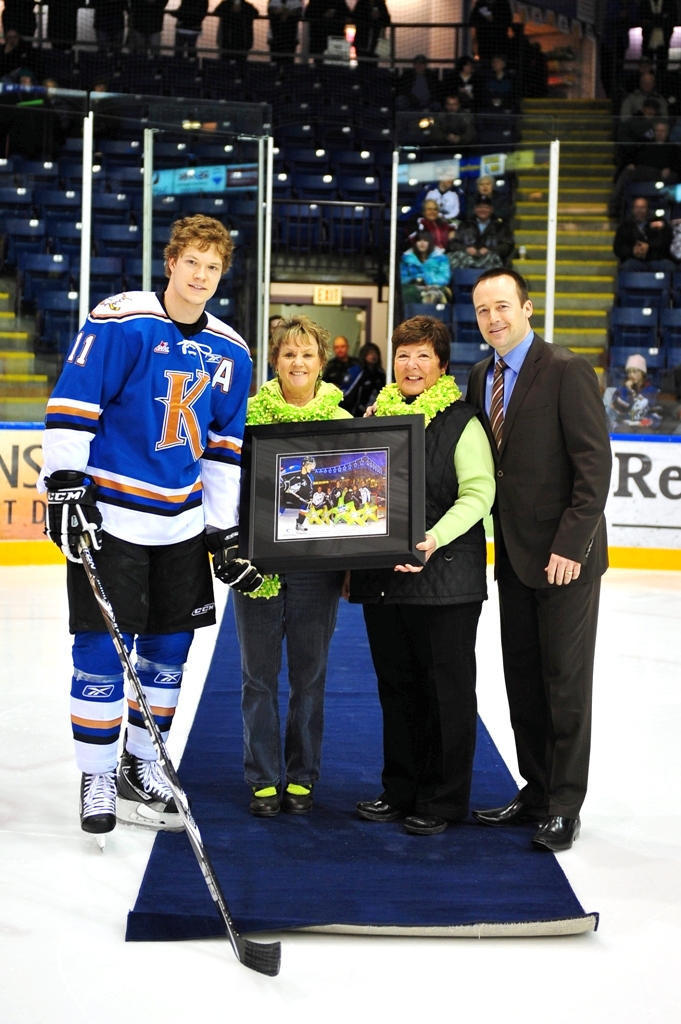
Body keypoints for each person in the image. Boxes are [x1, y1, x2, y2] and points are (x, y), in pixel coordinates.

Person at [37, 215, 260, 839]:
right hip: (111, 520)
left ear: (223, 273)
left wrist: (222, 529)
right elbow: (74, 402)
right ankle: (98, 772)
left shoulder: (233, 351)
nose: (201, 275)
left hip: (182, 526)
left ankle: (143, 762)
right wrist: (64, 482)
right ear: (171, 262)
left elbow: (222, 447)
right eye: (192, 261)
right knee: (102, 653)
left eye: (212, 267)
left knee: (168, 655)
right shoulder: (121, 319)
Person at [467, 268, 612, 852]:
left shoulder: (567, 370)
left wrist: (569, 547)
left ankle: (564, 804)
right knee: (523, 681)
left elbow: (594, 470)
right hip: (513, 559)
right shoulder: (480, 375)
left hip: (565, 561)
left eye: (503, 306)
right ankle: (535, 790)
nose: (493, 318)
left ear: (527, 308)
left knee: (565, 682)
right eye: (482, 311)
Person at [349, 315, 495, 835]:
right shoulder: (375, 416)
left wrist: (433, 539)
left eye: (423, 356)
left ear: (441, 365)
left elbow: (479, 495)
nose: (411, 365)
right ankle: (400, 788)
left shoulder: (463, 422)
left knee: (446, 690)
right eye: (404, 355)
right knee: (397, 686)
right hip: (386, 579)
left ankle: (443, 799)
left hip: (445, 578)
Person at [232, 316, 351, 817]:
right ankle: (262, 776)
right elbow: (228, 492)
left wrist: (351, 565)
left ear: (321, 363)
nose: (297, 362)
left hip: (316, 569)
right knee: (257, 676)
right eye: (288, 354)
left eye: (306, 354)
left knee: (310, 676)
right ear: (274, 362)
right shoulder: (245, 420)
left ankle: (302, 775)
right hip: (256, 565)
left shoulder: (346, 424)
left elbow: (353, 505)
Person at [447, 195, 514, 270]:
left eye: (486, 207)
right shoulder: (465, 225)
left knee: (493, 258)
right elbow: (453, 244)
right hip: (466, 262)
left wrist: (490, 250)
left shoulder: (501, 226)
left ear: (492, 209)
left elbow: (507, 246)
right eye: (479, 207)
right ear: (475, 209)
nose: (483, 210)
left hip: (490, 264)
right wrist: (466, 249)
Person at [613, 195, 675, 271]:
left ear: (648, 209)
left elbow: (667, 242)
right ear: (632, 209)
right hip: (634, 260)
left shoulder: (660, 222)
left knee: (669, 266)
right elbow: (618, 248)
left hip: (657, 259)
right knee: (627, 266)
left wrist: (649, 247)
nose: (639, 210)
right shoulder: (625, 226)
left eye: (642, 207)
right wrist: (633, 250)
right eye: (636, 207)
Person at [610, 353, 663, 429]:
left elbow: (657, 413)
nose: (631, 375)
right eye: (629, 372)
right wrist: (629, 391)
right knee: (623, 430)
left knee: (646, 433)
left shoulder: (653, 392)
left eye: (635, 371)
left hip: (645, 427)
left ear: (642, 373)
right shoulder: (621, 391)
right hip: (624, 425)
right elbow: (619, 411)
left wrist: (648, 421)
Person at [401, 230, 452, 304]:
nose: (422, 243)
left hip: (435, 287)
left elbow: (445, 278)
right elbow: (402, 278)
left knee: (439, 293)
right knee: (407, 292)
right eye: (419, 240)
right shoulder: (407, 258)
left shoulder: (441, 258)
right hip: (413, 288)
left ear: (430, 243)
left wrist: (427, 280)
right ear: (415, 243)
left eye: (425, 240)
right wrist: (411, 280)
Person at [340, 340, 386, 416]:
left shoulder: (380, 373)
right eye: (370, 353)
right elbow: (347, 393)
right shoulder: (357, 371)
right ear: (364, 355)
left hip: (373, 411)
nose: (373, 356)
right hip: (355, 412)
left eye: (375, 353)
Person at [470, 0, 512, 65]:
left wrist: (494, 19)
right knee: (485, 62)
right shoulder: (480, 4)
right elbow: (472, 19)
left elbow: (508, 19)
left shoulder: (503, 4)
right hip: (484, 40)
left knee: (498, 61)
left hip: (499, 40)